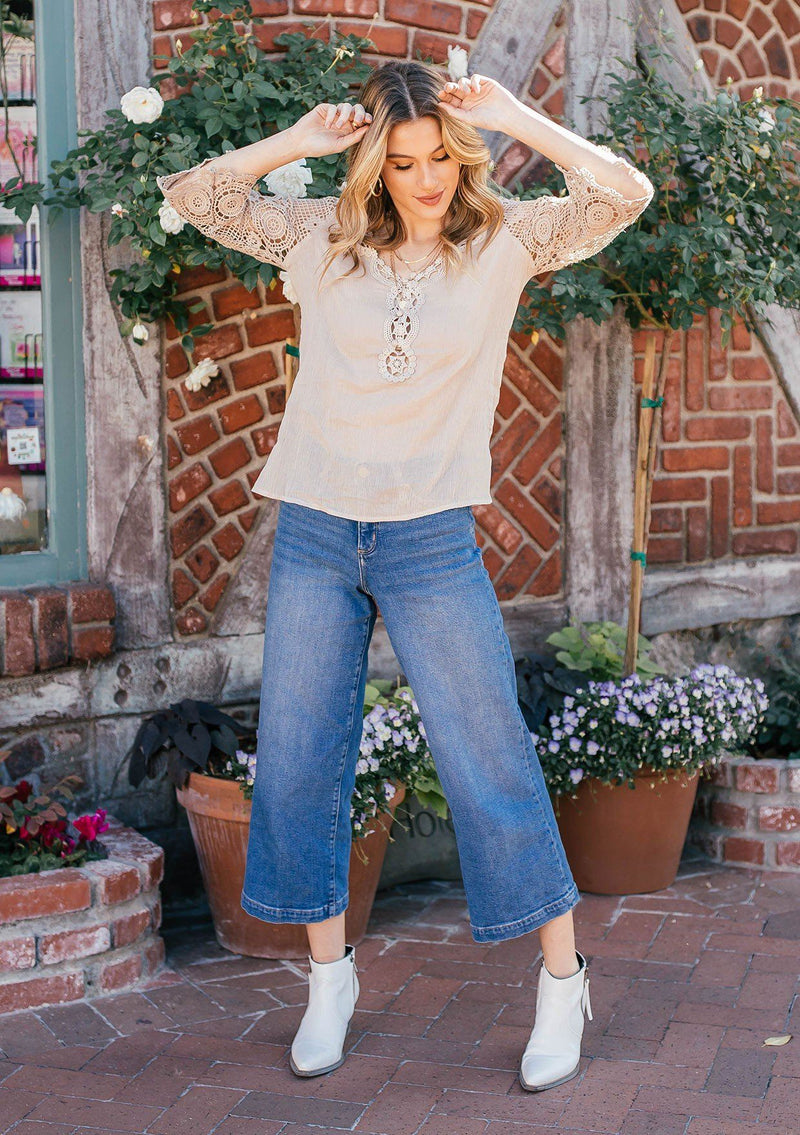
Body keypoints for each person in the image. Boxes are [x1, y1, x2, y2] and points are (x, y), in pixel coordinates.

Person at [157, 59, 653, 1092]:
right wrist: (300, 141)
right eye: (401, 162)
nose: (426, 180)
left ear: (462, 157)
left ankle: (562, 980)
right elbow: (198, 198)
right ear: (373, 168)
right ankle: (327, 977)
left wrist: (517, 117)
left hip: (428, 538)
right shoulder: (321, 239)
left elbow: (622, 193)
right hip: (314, 530)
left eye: (439, 159)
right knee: (300, 756)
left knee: (487, 756)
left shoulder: (503, 243)